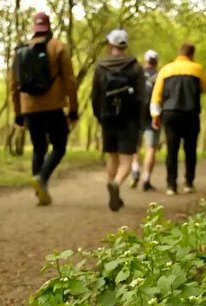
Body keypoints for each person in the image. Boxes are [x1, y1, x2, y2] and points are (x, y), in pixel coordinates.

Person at [11, 12, 79, 206]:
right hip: (54, 106)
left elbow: (13, 85)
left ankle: (40, 190)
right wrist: (73, 110)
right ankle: (42, 179)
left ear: (34, 27)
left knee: (38, 148)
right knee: (59, 146)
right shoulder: (58, 47)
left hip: (29, 108)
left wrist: (18, 114)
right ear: (49, 27)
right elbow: (70, 81)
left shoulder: (20, 50)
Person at [91, 29, 145, 211]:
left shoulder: (100, 67)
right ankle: (116, 184)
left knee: (112, 158)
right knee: (126, 162)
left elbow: (95, 96)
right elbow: (141, 98)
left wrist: (100, 117)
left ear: (110, 46)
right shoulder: (135, 66)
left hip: (108, 119)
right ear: (125, 46)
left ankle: (112, 192)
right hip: (128, 120)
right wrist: (140, 122)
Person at [150, 42, 206, 195]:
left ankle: (171, 185)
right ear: (192, 54)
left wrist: (155, 116)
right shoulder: (197, 69)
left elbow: (157, 94)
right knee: (190, 150)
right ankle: (189, 183)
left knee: (172, 150)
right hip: (190, 114)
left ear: (179, 53)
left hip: (170, 114)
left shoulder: (166, 70)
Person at [132, 49, 160, 191]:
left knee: (135, 146)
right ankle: (146, 179)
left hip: (136, 114)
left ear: (145, 60)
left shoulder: (136, 74)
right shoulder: (159, 76)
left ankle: (135, 169)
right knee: (151, 148)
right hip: (153, 115)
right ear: (156, 62)